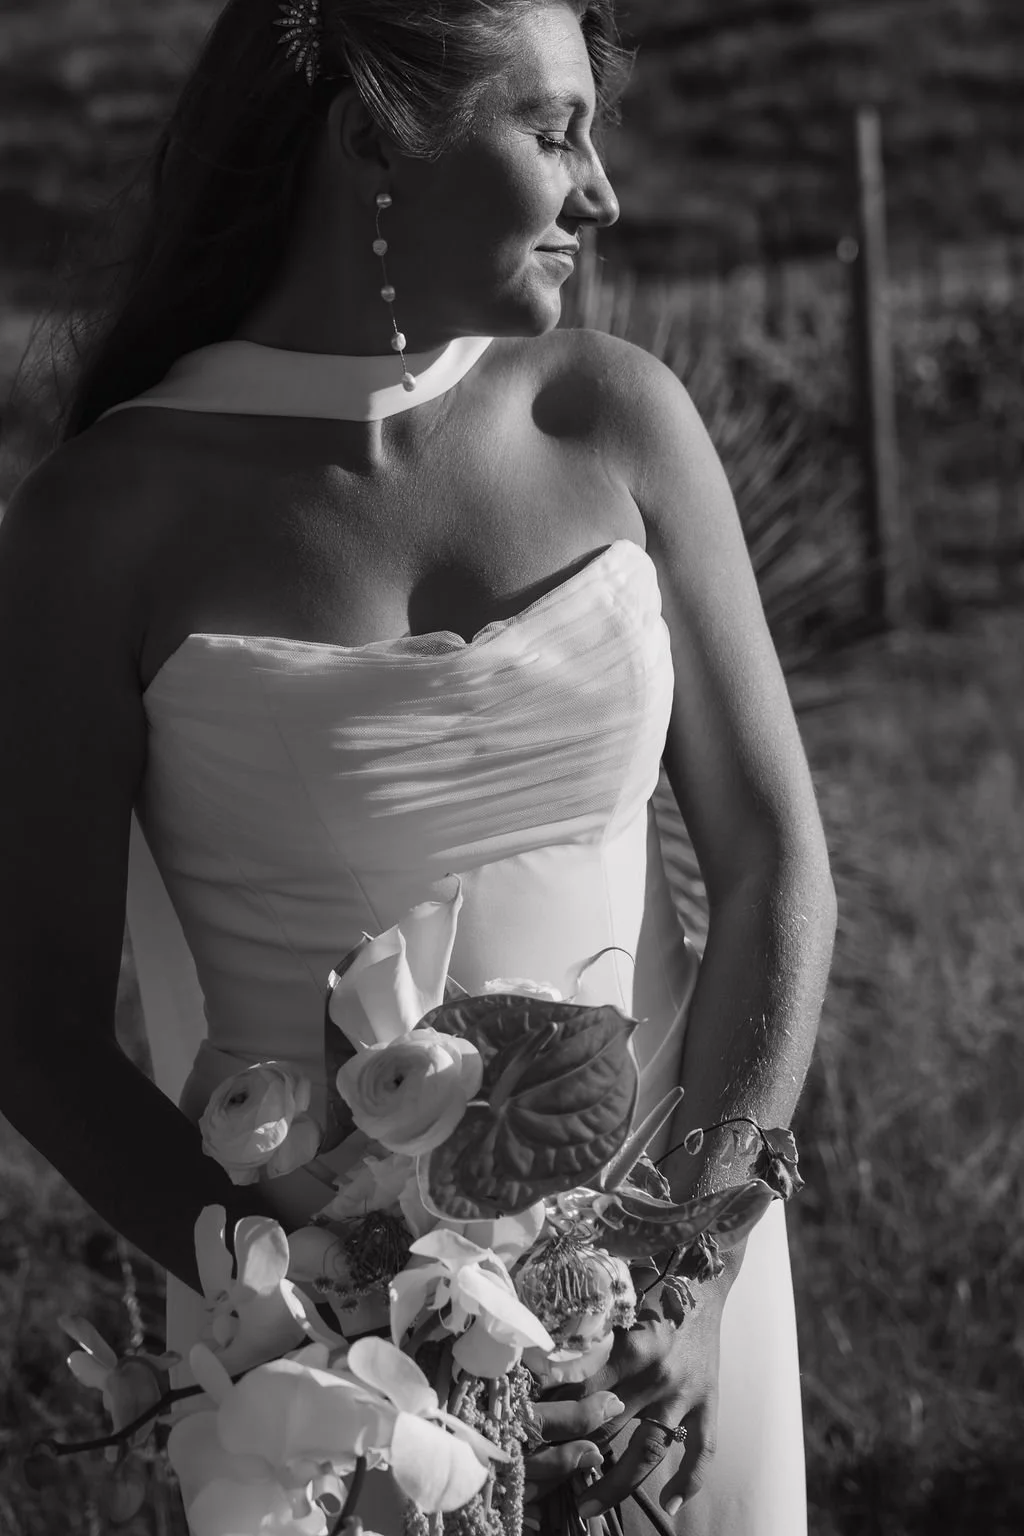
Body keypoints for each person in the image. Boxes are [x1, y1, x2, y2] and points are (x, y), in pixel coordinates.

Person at [0, 1, 837, 1532]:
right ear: (379, 134)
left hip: (666, 1321)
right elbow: (33, 1022)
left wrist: (690, 1275)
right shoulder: (102, 523)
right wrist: (316, 1312)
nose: (604, 193)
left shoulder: (617, 417)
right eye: (552, 128)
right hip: (330, 1393)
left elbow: (778, 861)